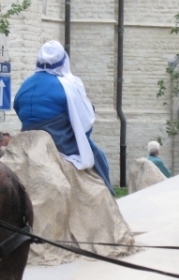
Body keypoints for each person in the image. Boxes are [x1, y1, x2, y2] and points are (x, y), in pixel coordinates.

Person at [14, 40, 114, 194]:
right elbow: (85, 121)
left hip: (28, 137)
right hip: (59, 141)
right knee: (96, 155)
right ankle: (108, 194)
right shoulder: (67, 85)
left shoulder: (26, 84)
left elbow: (17, 106)